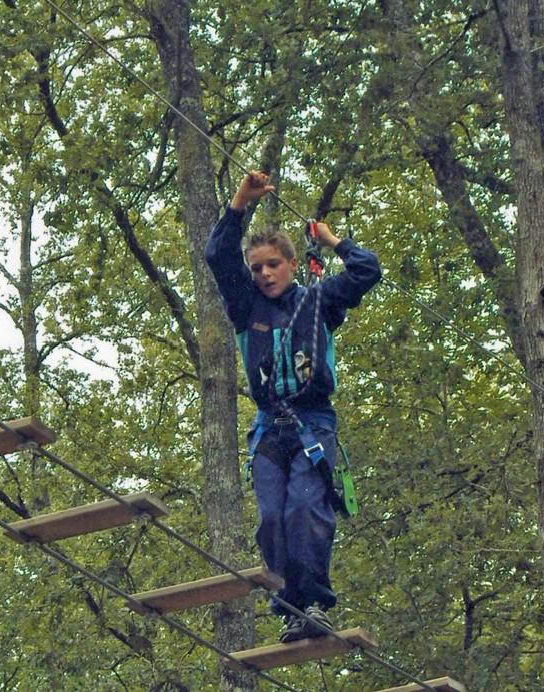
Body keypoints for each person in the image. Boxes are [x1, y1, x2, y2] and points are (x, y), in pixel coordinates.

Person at [205, 170, 382, 643]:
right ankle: (290, 607)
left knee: (305, 507)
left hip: (311, 424)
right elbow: (217, 256)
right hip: (269, 429)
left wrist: (333, 240)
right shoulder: (246, 308)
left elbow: (367, 272)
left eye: (272, 265)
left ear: (290, 264)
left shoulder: (318, 300)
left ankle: (315, 604)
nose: (263, 274)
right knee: (270, 520)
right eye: (256, 267)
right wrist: (240, 202)